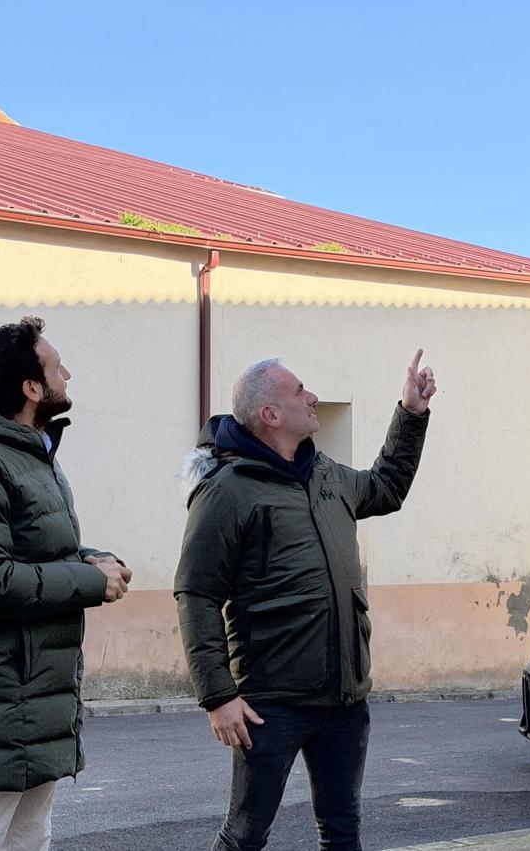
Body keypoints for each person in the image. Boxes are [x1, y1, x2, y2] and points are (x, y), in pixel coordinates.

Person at [175, 350, 436, 851]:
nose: (312, 396)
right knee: (245, 834)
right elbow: (196, 593)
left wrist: (412, 413)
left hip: (344, 696)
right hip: (270, 702)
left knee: (342, 832)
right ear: (269, 414)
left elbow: (387, 487)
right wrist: (218, 695)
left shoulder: (327, 475)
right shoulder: (226, 491)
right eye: (299, 391)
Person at [0, 316, 131, 851]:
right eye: (56, 365)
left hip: (34, 696)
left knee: (26, 839)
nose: (68, 373)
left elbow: (37, 551)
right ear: (31, 388)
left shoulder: (30, 454)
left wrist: (93, 560)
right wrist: (89, 580)